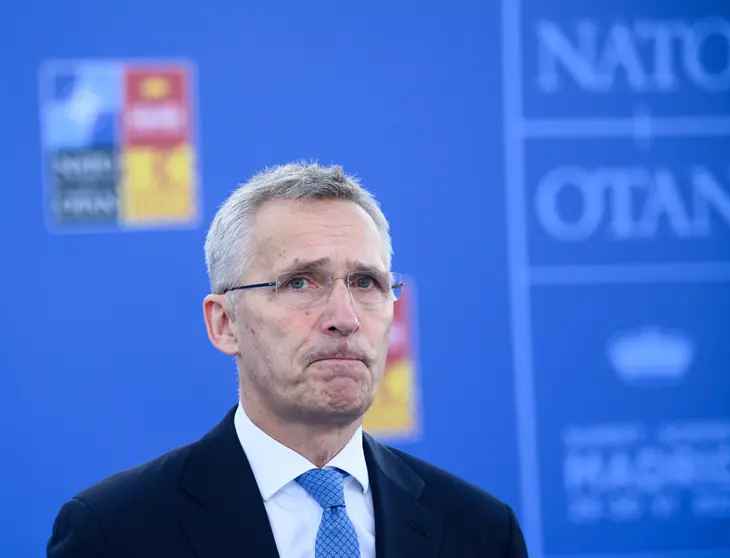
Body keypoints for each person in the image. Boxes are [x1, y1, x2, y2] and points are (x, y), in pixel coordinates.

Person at [46, 162, 528, 557]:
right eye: (300, 282)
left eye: (365, 283)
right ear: (224, 324)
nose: (345, 317)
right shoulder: (115, 533)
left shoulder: (482, 532)